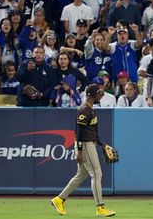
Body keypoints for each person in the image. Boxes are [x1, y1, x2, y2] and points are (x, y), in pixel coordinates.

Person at [51, 83, 116, 217]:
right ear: (93, 95)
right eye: (99, 93)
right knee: (97, 174)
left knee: (81, 175)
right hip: (85, 145)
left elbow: (92, 131)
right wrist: (79, 151)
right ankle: (100, 207)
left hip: (89, 143)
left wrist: (102, 145)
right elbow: (79, 133)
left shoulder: (91, 108)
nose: (100, 95)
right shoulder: (84, 110)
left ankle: (59, 199)